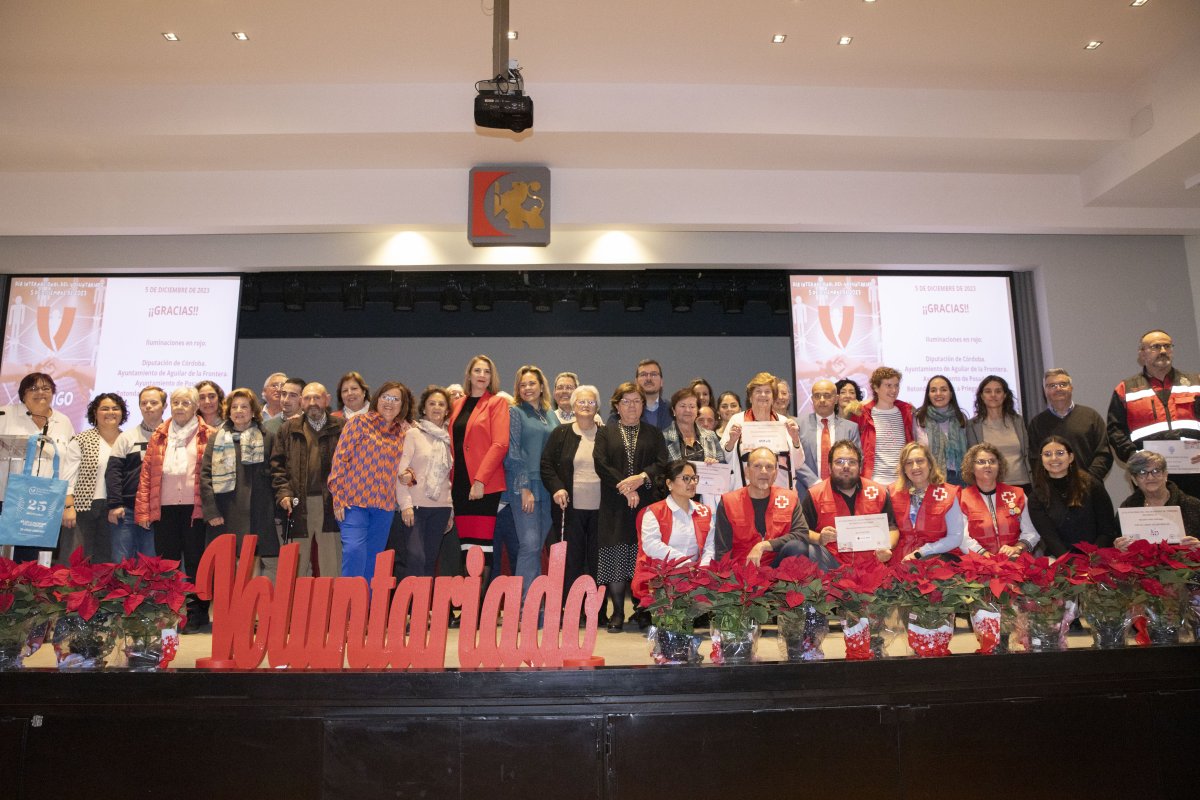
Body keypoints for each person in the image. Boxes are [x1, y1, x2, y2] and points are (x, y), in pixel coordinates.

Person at [134, 386, 215, 632]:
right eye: (176, 402)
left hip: (196, 510)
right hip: (165, 509)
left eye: (186, 403)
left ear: (195, 407)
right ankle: (169, 614)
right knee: (166, 564)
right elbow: (146, 475)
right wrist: (143, 511)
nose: (180, 407)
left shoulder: (209, 434)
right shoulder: (159, 434)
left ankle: (196, 614)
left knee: (196, 563)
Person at [594, 381, 668, 632]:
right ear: (616, 405)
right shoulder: (605, 432)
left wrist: (641, 479)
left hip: (646, 504)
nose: (632, 406)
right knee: (615, 555)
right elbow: (601, 464)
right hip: (614, 503)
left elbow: (661, 463)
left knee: (642, 557)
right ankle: (617, 612)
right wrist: (625, 487)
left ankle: (643, 611)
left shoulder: (654, 433)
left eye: (637, 401)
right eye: (626, 401)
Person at [328, 381, 412, 581]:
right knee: (354, 551)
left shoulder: (405, 433)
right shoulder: (359, 423)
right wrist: (338, 496)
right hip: (353, 502)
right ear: (377, 399)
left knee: (373, 561)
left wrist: (410, 475)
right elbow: (340, 460)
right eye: (385, 397)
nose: (389, 403)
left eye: (395, 399)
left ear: (403, 405)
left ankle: (367, 610)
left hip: (384, 507)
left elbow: (411, 465)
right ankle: (348, 607)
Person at [1108, 330, 1200, 497]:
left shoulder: (1196, 382)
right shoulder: (1125, 389)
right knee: (1159, 522)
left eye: (1167, 346)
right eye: (1156, 347)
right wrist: (1132, 456)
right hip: (1148, 474)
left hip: (1194, 469)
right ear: (1142, 354)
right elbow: (1115, 431)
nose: (1163, 351)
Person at [0, 372, 78, 562]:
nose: (40, 392)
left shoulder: (63, 421)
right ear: (22, 394)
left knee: (33, 561)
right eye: (33, 388)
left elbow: (70, 464)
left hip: (42, 503)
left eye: (46, 388)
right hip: (7, 499)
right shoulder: (5, 415)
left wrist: (68, 503)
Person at [201, 388, 279, 576]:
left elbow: (276, 473)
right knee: (226, 570)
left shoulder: (267, 438)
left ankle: (256, 605)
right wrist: (211, 511)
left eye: (244, 406)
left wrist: (277, 511)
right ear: (228, 412)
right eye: (234, 407)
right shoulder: (217, 439)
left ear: (253, 411)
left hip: (258, 513)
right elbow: (205, 476)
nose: (239, 410)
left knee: (257, 567)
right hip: (225, 513)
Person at [270, 381, 344, 578]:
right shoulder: (288, 429)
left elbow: (351, 465)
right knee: (296, 562)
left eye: (317, 398)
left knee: (332, 561)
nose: (313, 402)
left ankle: (332, 606)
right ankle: (295, 607)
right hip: (297, 504)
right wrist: (284, 493)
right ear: (301, 402)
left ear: (327, 400)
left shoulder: (341, 428)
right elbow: (277, 466)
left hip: (330, 504)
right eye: (308, 398)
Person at [541, 385, 604, 609]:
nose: (586, 406)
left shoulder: (606, 434)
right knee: (571, 559)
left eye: (591, 402)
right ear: (573, 406)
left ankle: (595, 609)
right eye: (581, 402)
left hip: (601, 509)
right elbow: (547, 465)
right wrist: (557, 487)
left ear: (597, 406)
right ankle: (570, 608)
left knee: (596, 560)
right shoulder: (561, 433)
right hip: (571, 508)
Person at [447, 355, 510, 576]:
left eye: (487, 372)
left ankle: (481, 606)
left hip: (484, 485)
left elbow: (500, 444)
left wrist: (480, 480)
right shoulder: (456, 405)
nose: (482, 375)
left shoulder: (497, 402)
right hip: (460, 485)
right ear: (469, 375)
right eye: (478, 371)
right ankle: (470, 604)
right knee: (467, 546)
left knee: (482, 547)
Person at [502, 365, 559, 598]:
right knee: (529, 544)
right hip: (524, 486)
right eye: (522, 384)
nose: (527, 388)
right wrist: (524, 487)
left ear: (541, 386)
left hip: (548, 487)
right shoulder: (515, 412)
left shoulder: (551, 414)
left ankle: (534, 603)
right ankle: (523, 606)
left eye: (532, 383)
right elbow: (513, 452)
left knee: (537, 547)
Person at [800, 440, 898, 570]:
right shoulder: (815, 494)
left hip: (872, 562)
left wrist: (887, 547)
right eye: (839, 462)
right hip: (832, 562)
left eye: (852, 462)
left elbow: (892, 529)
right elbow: (801, 531)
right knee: (805, 549)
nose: (846, 466)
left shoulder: (879, 492)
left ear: (860, 467)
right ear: (829, 467)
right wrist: (819, 538)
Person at [632, 460, 715, 602]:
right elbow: (651, 546)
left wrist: (703, 568)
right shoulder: (653, 512)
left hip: (696, 575)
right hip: (661, 575)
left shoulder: (704, 511)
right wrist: (685, 564)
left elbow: (710, 547)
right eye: (686, 478)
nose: (693, 483)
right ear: (669, 483)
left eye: (694, 478)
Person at [393, 385, 454, 579]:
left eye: (441, 404)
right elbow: (401, 472)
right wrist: (405, 506)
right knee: (415, 558)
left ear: (447, 410)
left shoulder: (448, 439)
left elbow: (447, 478)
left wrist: (450, 509)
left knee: (429, 561)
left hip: (441, 508)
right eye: (432, 403)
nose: (436, 407)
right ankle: (409, 606)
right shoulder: (413, 434)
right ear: (424, 409)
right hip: (416, 508)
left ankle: (423, 607)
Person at [714, 448, 808, 566]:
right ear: (747, 471)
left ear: (776, 473)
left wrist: (765, 545)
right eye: (757, 466)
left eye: (769, 467)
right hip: (742, 571)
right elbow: (722, 551)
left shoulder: (790, 498)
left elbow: (802, 534)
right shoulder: (728, 502)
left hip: (780, 572)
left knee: (797, 547)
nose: (764, 471)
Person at [1027, 434, 1116, 556]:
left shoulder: (1092, 485)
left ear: (1070, 457)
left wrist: (1093, 557)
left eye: (1060, 453)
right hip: (1060, 559)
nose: (1053, 458)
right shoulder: (1036, 497)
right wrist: (1071, 564)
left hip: (1097, 556)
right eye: (1047, 454)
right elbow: (1051, 539)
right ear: (1041, 460)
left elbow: (1107, 530)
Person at [106, 386, 166, 561]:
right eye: (144, 403)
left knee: (152, 564)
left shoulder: (173, 437)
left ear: (164, 405)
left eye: (153, 402)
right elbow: (113, 472)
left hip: (159, 512)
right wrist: (115, 504)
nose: (148, 406)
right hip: (127, 511)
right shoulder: (127, 437)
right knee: (122, 563)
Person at [65, 393, 127, 562]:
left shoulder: (128, 440)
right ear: (95, 412)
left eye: (115, 408)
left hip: (116, 509)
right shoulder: (81, 440)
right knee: (80, 558)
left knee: (107, 560)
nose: (111, 412)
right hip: (83, 508)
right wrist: (68, 507)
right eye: (104, 408)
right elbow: (68, 477)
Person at [720, 372, 804, 490]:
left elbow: (798, 463)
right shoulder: (737, 420)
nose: (763, 395)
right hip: (746, 491)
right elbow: (724, 459)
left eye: (767, 392)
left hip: (781, 492)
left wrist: (795, 440)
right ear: (750, 397)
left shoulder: (784, 422)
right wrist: (732, 442)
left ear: (773, 397)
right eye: (758, 391)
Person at [1028, 368, 1111, 482]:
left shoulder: (1091, 417)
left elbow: (1104, 453)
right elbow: (1035, 460)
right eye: (1052, 386)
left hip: (1090, 488)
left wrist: (1087, 480)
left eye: (1063, 384)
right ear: (1045, 391)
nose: (1058, 389)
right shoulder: (1036, 423)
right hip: (1053, 491)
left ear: (1071, 388)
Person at [958, 442, 1039, 557]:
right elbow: (961, 536)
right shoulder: (961, 498)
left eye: (992, 461)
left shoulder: (1017, 494)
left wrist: (1018, 548)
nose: (987, 465)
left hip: (1013, 559)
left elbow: (1031, 531)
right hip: (977, 561)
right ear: (971, 467)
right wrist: (983, 553)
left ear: (999, 466)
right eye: (981, 462)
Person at [888, 441, 963, 562]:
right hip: (900, 560)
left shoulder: (948, 494)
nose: (915, 467)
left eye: (920, 461)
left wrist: (922, 552)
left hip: (937, 558)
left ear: (929, 464)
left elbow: (956, 537)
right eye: (909, 463)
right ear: (904, 469)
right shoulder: (892, 493)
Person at [846, 366, 918, 486]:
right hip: (873, 482)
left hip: (902, 483)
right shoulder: (861, 413)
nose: (894, 390)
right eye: (888, 385)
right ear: (875, 387)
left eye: (896, 385)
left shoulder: (907, 411)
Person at [1113, 450, 1200, 548]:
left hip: (1184, 562)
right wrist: (1120, 548)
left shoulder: (1192, 505)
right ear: (1134, 480)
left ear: (1165, 475)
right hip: (1141, 563)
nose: (1150, 477)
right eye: (1142, 472)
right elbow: (1118, 542)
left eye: (1156, 471)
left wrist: (1198, 546)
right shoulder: (1127, 508)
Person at [795, 379, 860, 494]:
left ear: (836, 399)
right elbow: (795, 459)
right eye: (817, 396)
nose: (822, 400)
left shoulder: (851, 428)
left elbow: (857, 459)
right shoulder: (798, 425)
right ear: (812, 399)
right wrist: (815, 483)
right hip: (807, 491)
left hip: (842, 491)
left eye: (827, 396)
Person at [967, 375, 1031, 490]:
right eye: (988, 391)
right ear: (981, 396)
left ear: (1005, 395)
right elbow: (974, 458)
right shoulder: (973, 425)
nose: (993, 395)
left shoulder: (1017, 420)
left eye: (998, 391)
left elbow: (1027, 451)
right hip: (991, 485)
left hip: (1023, 483)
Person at [915, 375, 969, 486]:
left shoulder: (961, 418)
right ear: (928, 395)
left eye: (943, 389)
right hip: (929, 477)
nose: (938, 393)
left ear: (951, 394)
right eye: (933, 390)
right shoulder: (918, 418)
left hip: (959, 477)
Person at [662, 387, 722, 463]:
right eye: (683, 406)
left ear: (697, 411)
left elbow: (723, 464)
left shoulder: (711, 435)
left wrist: (715, 464)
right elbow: (660, 469)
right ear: (674, 410)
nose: (687, 410)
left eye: (692, 406)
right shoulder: (663, 438)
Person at [608, 359, 672, 429]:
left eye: (653, 374)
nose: (648, 379)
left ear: (662, 381)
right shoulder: (622, 410)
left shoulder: (672, 409)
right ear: (636, 382)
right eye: (643, 375)